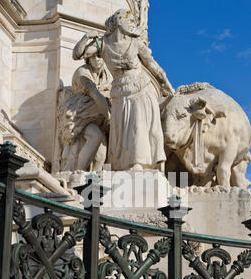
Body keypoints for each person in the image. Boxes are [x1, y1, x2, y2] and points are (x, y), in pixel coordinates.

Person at [79, 9, 174, 171]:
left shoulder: (135, 42)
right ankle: (121, 165)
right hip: (119, 92)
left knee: (138, 125)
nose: (131, 24)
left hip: (140, 89)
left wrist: (165, 81)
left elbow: (151, 64)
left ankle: (138, 163)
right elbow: (78, 54)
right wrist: (86, 37)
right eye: (128, 20)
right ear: (119, 23)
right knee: (121, 130)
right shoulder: (103, 43)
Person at [56, 35, 111, 172]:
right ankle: (79, 174)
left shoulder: (106, 75)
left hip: (95, 115)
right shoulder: (82, 73)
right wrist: (110, 116)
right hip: (78, 116)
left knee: (101, 155)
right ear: (88, 58)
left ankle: (95, 183)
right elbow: (96, 95)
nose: (99, 60)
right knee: (95, 136)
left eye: (101, 56)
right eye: (95, 56)